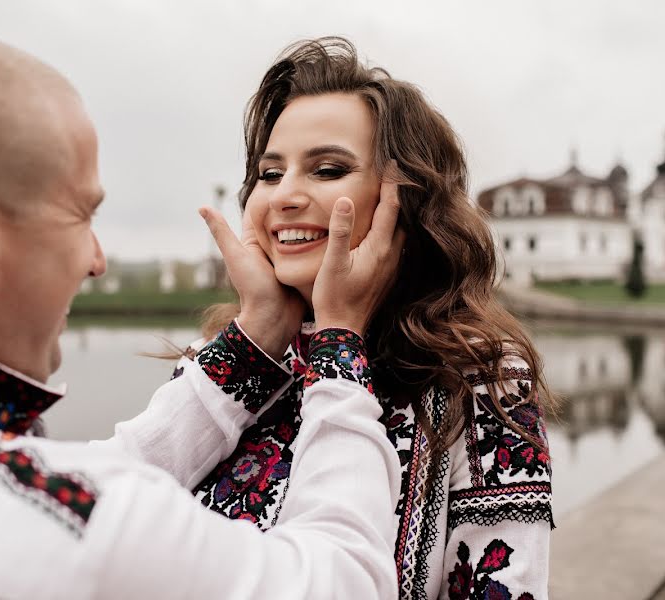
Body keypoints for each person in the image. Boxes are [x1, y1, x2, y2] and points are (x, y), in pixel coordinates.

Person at [0, 23, 406, 599]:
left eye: (328, 168)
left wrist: (257, 335)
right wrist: (340, 341)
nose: (96, 262)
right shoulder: (65, 530)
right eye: (80, 216)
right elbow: (343, 583)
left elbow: (92, 469)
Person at [180, 38, 556, 600]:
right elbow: (116, 521)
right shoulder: (224, 360)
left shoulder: (476, 378)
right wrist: (255, 332)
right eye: (270, 172)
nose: (286, 196)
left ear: (403, 200)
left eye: (328, 169)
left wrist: (339, 338)